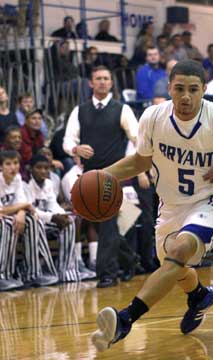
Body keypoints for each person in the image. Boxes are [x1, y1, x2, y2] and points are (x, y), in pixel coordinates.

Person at [90, 59, 213, 352]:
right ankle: (199, 296)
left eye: (193, 90)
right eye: (179, 88)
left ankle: (124, 319)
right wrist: (104, 175)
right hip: (169, 208)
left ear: (204, 90)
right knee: (175, 267)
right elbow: (141, 160)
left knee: (179, 252)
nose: (185, 97)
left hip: (210, 203)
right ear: (169, 88)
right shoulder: (153, 118)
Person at [63, 65, 141, 287]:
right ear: (91, 83)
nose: (102, 82)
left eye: (106, 78)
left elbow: (137, 139)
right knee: (100, 223)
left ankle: (107, 273)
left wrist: (139, 166)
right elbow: (67, 141)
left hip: (114, 175)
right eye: (98, 78)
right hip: (89, 176)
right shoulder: (79, 111)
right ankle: (129, 259)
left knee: (106, 223)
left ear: (111, 83)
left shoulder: (122, 109)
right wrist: (76, 150)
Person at [0, 150, 58, 290]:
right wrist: (24, 206)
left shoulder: (18, 179)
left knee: (33, 220)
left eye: (15, 163)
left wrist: (21, 211)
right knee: (8, 223)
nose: (13, 167)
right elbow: (1, 210)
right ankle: (3, 275)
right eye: (8, 164)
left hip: (9, 216)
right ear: (0, 167)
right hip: (4, 218)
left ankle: (32, 273)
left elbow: (21, 203)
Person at [25, 154, 83, 282]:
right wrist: (52, 217)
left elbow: (53, 204)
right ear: (31, 169)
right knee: (37, 223)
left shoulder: (48, 183)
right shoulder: (26, 185)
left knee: (69, 222)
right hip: (31, 224)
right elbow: (31, 211)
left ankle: (67, 270)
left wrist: (62, 214)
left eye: (46, 168)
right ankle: (39, 271)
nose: (43, 171)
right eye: (39, 168)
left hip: (46, 221)